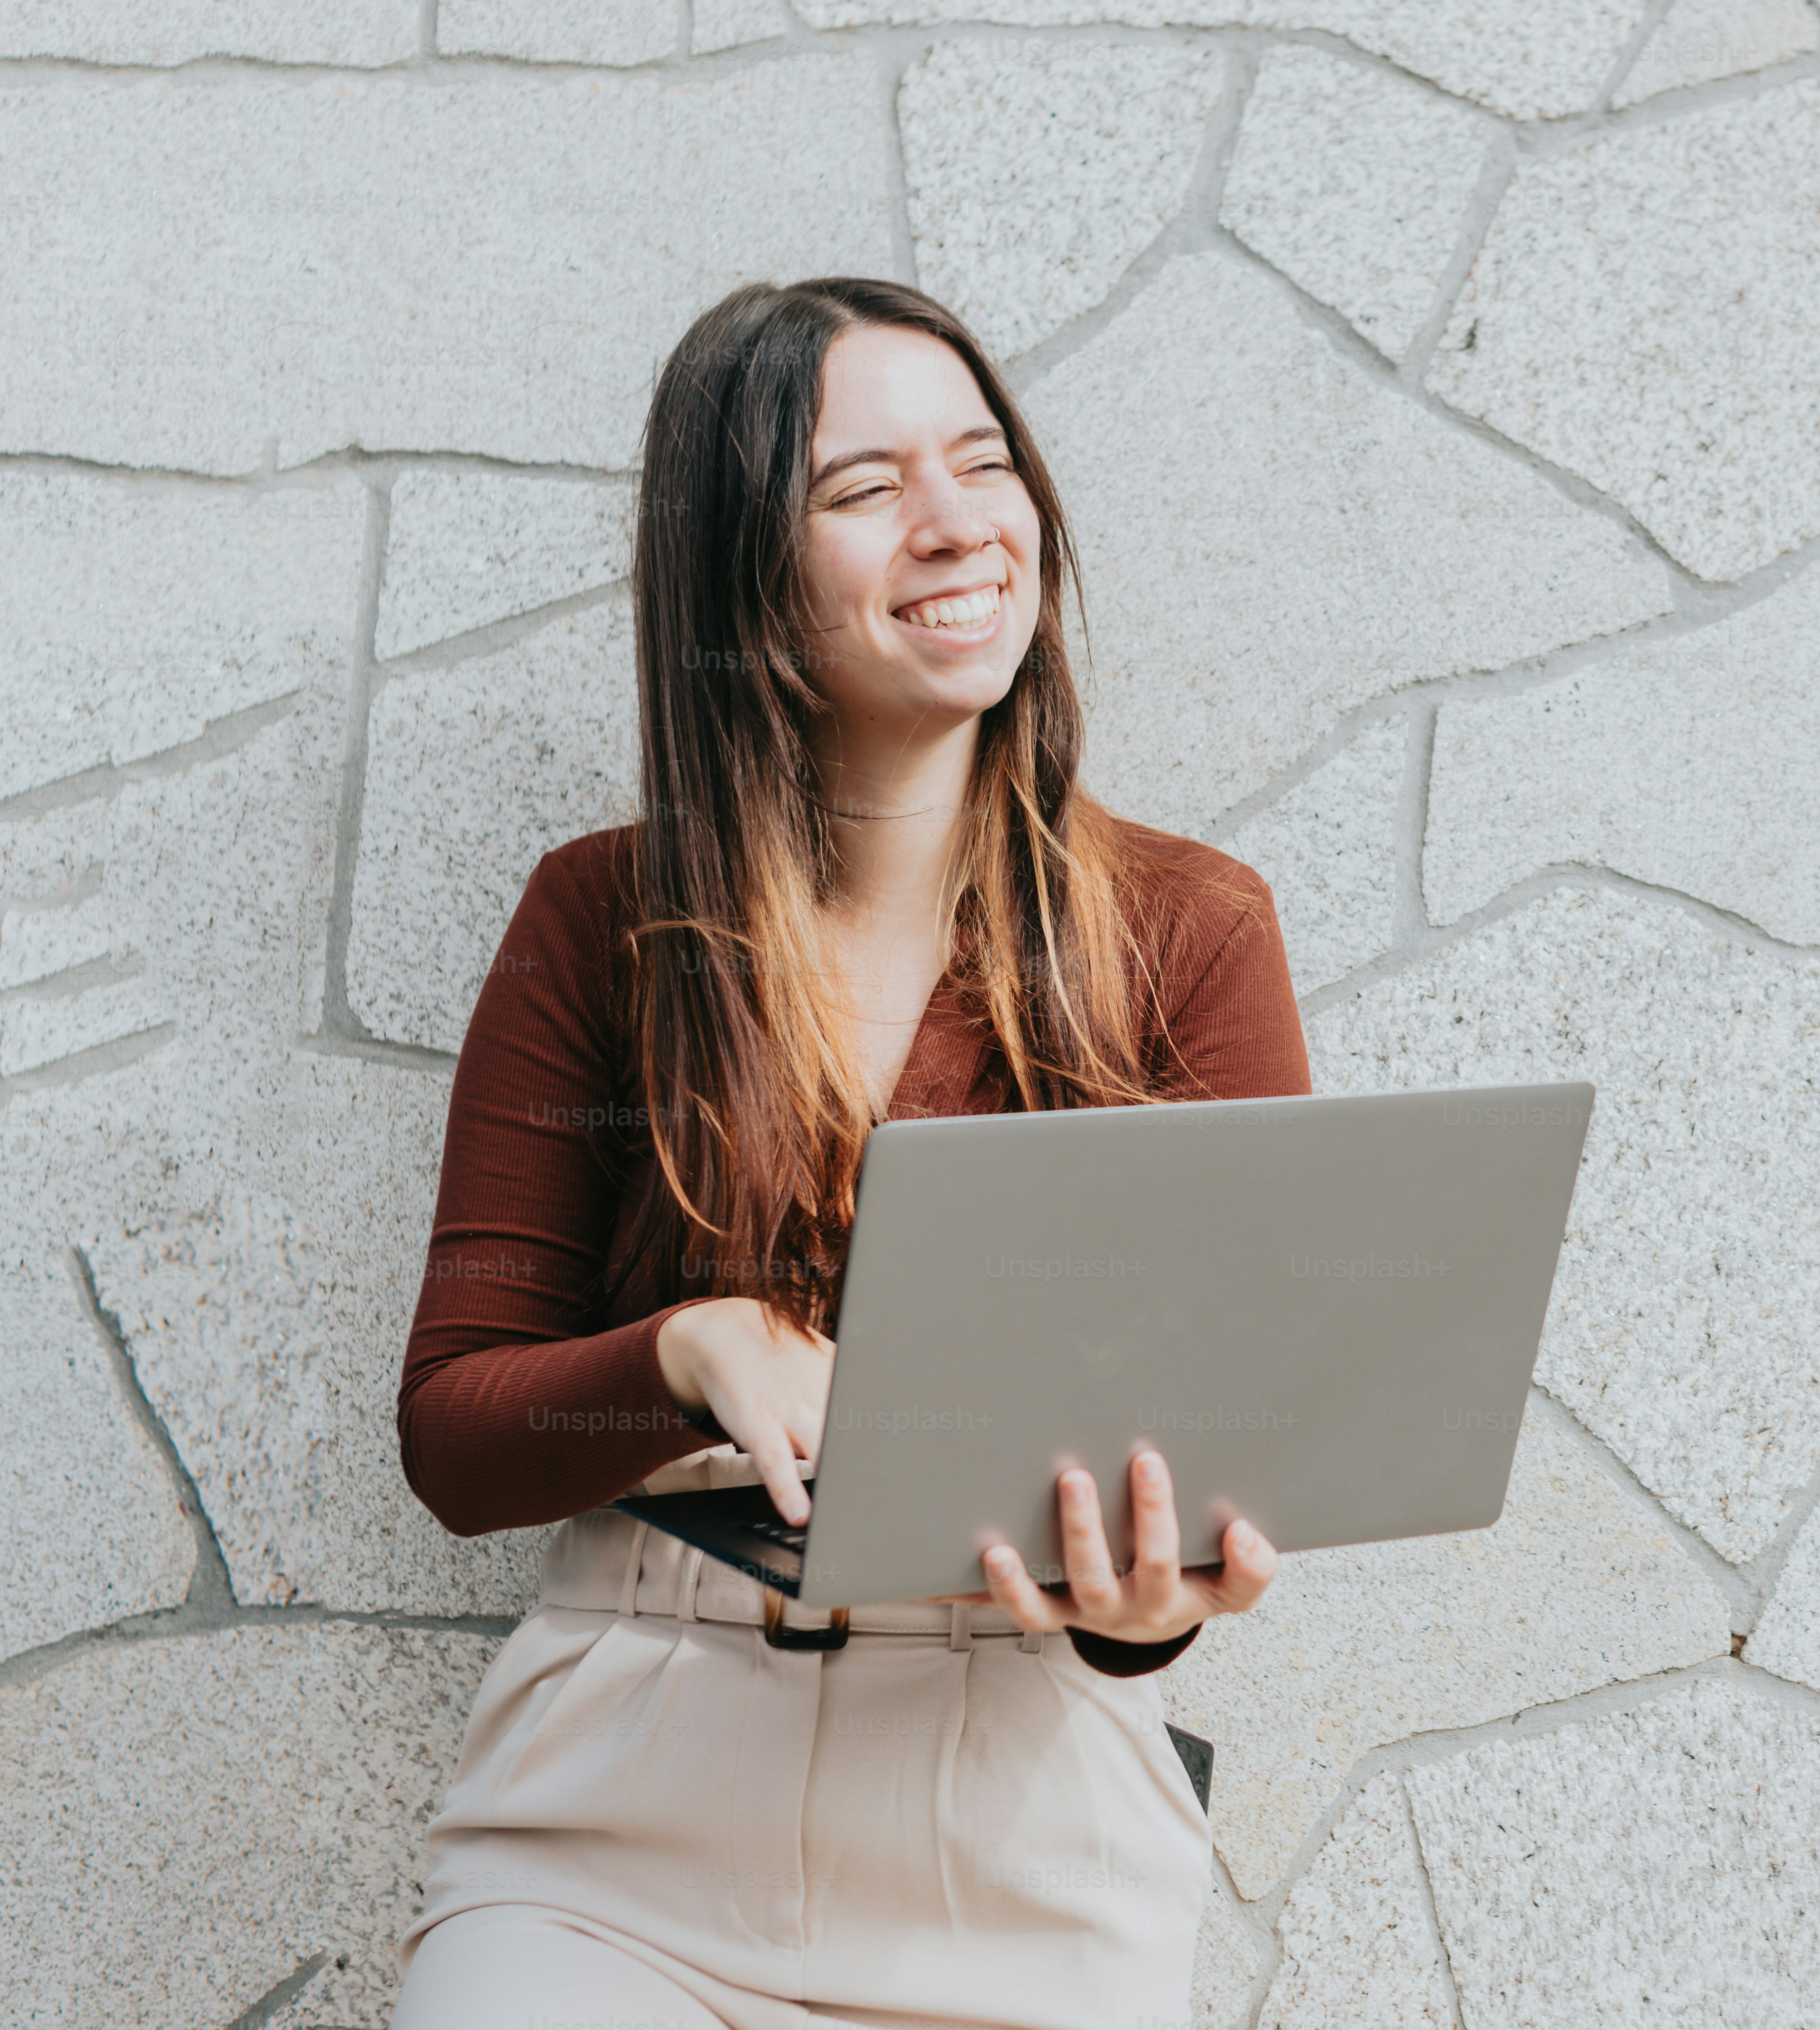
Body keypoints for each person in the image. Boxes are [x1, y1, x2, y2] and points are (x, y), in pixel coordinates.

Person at [386, 276, 1293, 2030]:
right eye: (864, 489)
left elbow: (1228, 1443)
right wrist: (688, 1344)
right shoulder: (607, 917)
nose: (958, 525)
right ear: (745, 574)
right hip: (619, 1816)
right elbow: (459, 1433)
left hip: (1021, 1821)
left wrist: (1148, 1606)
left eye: (983, 462)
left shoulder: (1189, 927)